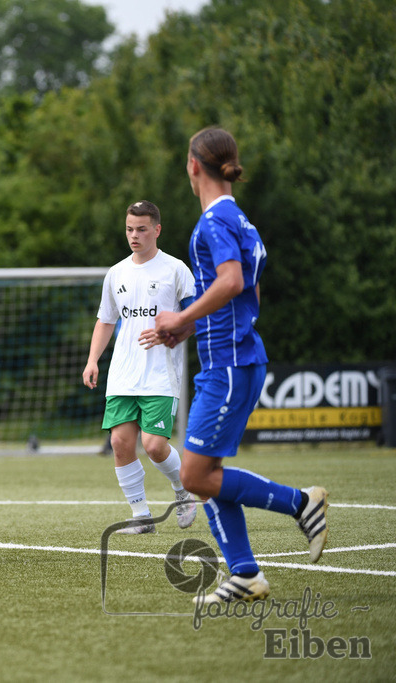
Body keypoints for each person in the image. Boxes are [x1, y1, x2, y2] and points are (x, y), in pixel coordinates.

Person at [154, 127, 328, 605]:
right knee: (207, 473)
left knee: (194, 476)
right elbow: (244, 292)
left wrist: (184, 315)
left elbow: (230, 280)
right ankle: (246, 574)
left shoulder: (213, 221)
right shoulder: (239, 219)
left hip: (229, 364)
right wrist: (194, 327)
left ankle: (301, 503)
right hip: (231, 357)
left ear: (193, 165)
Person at [83, 200, 198, 534]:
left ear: (157, 230)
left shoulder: (176, 270)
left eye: (142, 229)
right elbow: (105, 321)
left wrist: (171, 333)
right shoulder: (116, 273)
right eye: (130, 229)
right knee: (120, 443)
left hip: (161, 374)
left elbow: (194, 319)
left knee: (154, 445)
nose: (134, 235)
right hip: (122, 375)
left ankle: (183, 492)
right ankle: (142, 515)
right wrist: (92, 360)